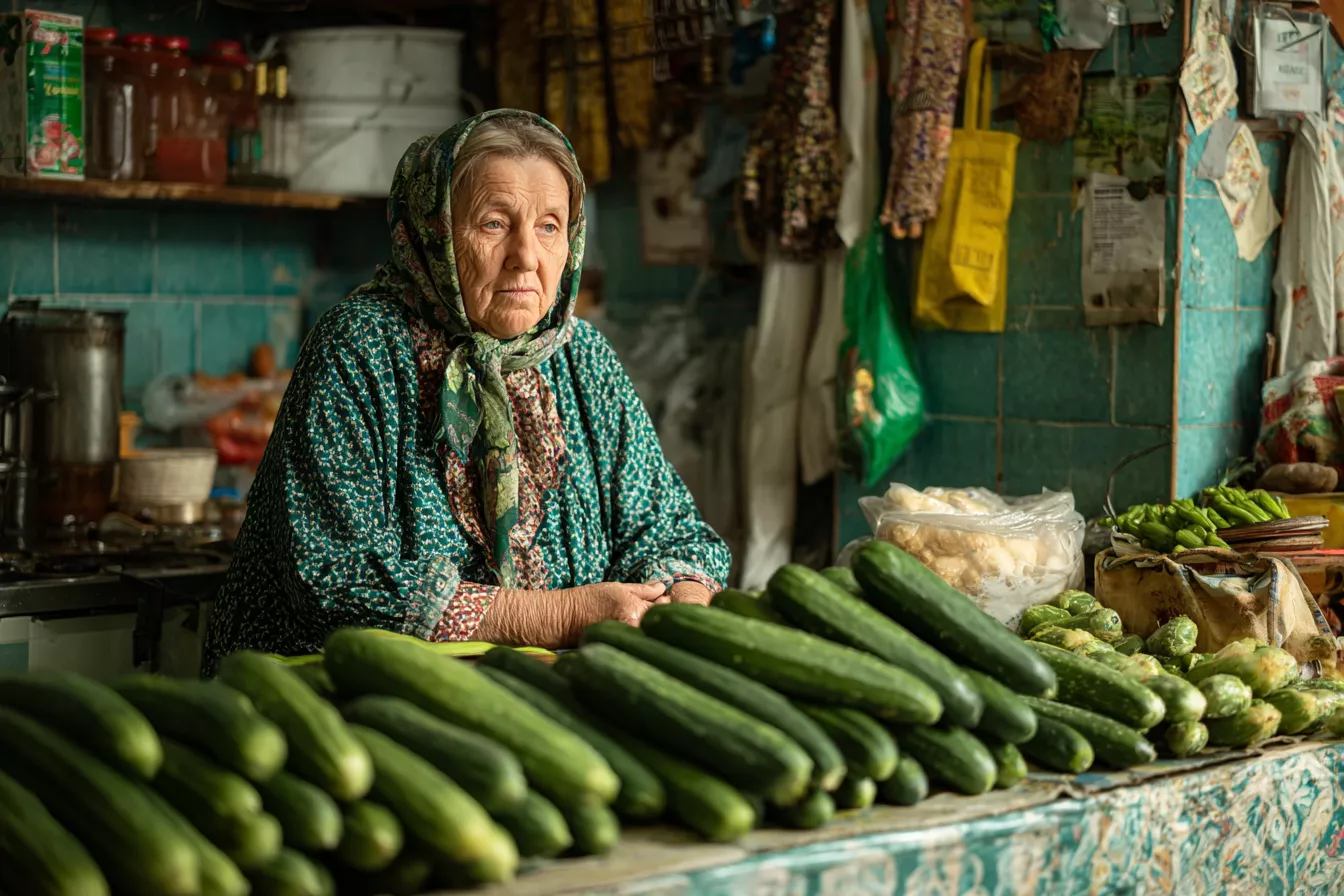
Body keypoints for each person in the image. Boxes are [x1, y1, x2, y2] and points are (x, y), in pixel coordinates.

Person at [201, 110, 729, 673]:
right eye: (495, 224)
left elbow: (669, 528)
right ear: (434, 231)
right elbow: (332, 576)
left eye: (549, 226)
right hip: (343, 701)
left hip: (542, 697)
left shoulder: (581, 357)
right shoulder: (360, 346)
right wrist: (559, 616)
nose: (527, 256)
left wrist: (680, 599)